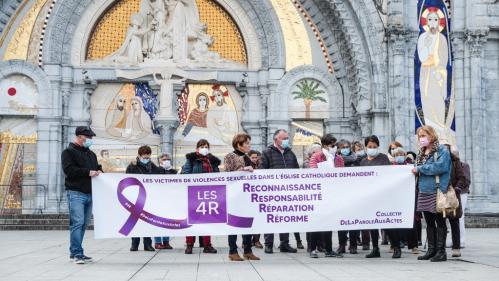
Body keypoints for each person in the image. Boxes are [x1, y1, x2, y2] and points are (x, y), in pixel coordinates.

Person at [61, 126, 102, 264]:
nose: (90, 140)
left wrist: (100, 171)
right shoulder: (68, 152)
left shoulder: (91, 154)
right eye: (88, 137)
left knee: (83, 224)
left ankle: (76, 252)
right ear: (79, 137)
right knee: (77, 223)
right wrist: (87, 172)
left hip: (90, 193)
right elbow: (69, 170)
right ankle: (77, 253)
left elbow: (97, 168)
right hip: (76, 192)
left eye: (91, 138)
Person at [413, 125, 452, 262]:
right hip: (423, 190)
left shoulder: (442, 150)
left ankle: (441, 252)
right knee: (428, 222)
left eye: (424, 135)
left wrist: (420, 168)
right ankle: (431, 250)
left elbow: (441, 167)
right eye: (419, 136)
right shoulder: (421, 152)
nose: (421, 138)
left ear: (432, 135)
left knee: (439, 221)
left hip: (437, 190)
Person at [261, 129, 299, 254]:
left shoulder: (290, 153)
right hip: (272, 192)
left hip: (288, 192)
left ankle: (284, 243)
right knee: (270, 218)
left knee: (285, 218)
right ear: (276, 139)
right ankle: (268, 244)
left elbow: (297, 171)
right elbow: (262, 171)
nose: (286, 140)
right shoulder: (267, 152)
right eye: (284, 138)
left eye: (287, 138)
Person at [224, 134, 260, 261]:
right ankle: (232, 251)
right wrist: (244, 169)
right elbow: (228, 174)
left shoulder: (247, 157)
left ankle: (248, 250)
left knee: (247, 223)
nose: (249, 145)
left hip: (246, 195)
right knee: (233, 223)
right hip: (234, 195)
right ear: (239, 144)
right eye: (247, 143)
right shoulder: (230, 156)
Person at [307, 134, 344, 258]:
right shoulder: (316, 157)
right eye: (332, 145)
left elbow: (343, 175)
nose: (334, 148)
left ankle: (328, 249)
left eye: (335, 145)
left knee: (330, 221)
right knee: (317, 222)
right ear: (325, 146)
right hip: (319, 193)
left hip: (333, 193)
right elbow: (312, 172)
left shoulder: (338, 159)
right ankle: (312, 249)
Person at [180, 139, 218, 254]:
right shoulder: (191, 160)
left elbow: (217, 175)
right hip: (193, 194)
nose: (204, 148)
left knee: (207, 220)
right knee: (192, 220)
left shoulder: (213, 161)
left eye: (206, 146)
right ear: (197, 148)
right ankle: (189, 244)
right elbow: (185, 174)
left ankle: (207, 245)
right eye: (202, 146)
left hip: (208, 194)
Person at [126, 145, 164, 252]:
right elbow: (127, 179)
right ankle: (134, 244)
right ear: (139, 155)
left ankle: (148, 244)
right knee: (135, 221)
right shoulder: (132, 166)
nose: (146, 159)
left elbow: (161, 176)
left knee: (147, 221)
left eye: (148, 157)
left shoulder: (152, 166)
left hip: (148, 198)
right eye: (144, 157)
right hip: (136, 198)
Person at [359, 135, 392, 258]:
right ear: (366, 147)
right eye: (369, 146)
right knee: (372, 223)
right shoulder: (363, 161)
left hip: (382, 195)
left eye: (374, 146)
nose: (372, 148)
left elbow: (388, 175)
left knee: (387, 223)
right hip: (369, 196)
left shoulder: (383, 158)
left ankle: (396, 246)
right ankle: (375, 248)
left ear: (378, 146)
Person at [442, 142, 469, 257]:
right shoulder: (437, 161)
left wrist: (457, 189)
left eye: (446, 150)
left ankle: (456, 248)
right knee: (441, 222)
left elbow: (462, 177)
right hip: (440, 194)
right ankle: (440, 247)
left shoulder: (455, 162)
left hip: (453, 194)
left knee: (454, 221)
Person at [391, 148, 420, 255]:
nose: (399, 156)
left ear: (405, 155)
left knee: (411, 222)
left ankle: (414, 246)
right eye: (397, 154)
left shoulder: (410, 166)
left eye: (401, 154)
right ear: (394, 156)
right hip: (395, 197)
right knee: (395, 221)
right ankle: (395, 245)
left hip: (408, 196)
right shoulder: (390, 167)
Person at [336, 139, 360, 255]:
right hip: (340, 194)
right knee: (341, 221)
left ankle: (353, 245)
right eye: (342, 147)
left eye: (347, 146)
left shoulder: (357, 159)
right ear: (339, 149)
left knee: (353, 221)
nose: (345, 148)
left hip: (354, 193)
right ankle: (342, 245)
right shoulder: (335, 160)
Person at [153, 153, 177, 250]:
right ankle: (158, 242)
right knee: (157, 221)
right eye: (164, 159)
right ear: (160, 161)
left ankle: (166, 241)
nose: (167, 161)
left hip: (169, 200)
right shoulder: (156, 171)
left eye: (168, 159)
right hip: (158, 199)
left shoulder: (173, 171)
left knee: (167, 221)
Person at [451, 147, 471, 249]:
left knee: (460, 216)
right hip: (451, 193)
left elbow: (466, 180)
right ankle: (455, 240)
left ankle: (461, 241)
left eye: (454, 154)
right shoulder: (450, 165)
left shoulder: (464, 165)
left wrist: (457, 188)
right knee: (451, 216)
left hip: (462, 193)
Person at [248, 150, 263, 249]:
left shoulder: (261, 167)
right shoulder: (246, 167)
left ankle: (256, 240)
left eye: (256, 157)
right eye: (252, 157)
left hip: (259, 196)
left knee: (258, 219)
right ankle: (247, 241)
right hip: (248, 197)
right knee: (249, 220)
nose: (254, 159)